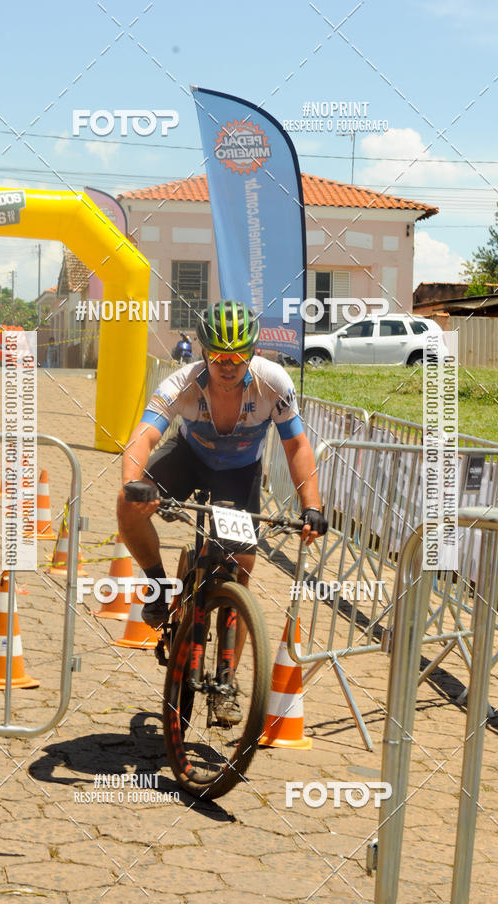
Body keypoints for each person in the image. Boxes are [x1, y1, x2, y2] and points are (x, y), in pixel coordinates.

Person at [117, 300, 327, 719]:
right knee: (127, 504)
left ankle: (227, 682)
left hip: (239, 473)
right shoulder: (182, 383)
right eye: (217, 356)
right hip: (189, 458)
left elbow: (297, 445)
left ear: (253, 354)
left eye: (236, 357)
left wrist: (313, 506)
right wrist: (135, 482)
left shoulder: (274, 384)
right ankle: (158, 586)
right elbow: (142, 437)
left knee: (241, 569)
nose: (227, 366)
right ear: (202, 351)